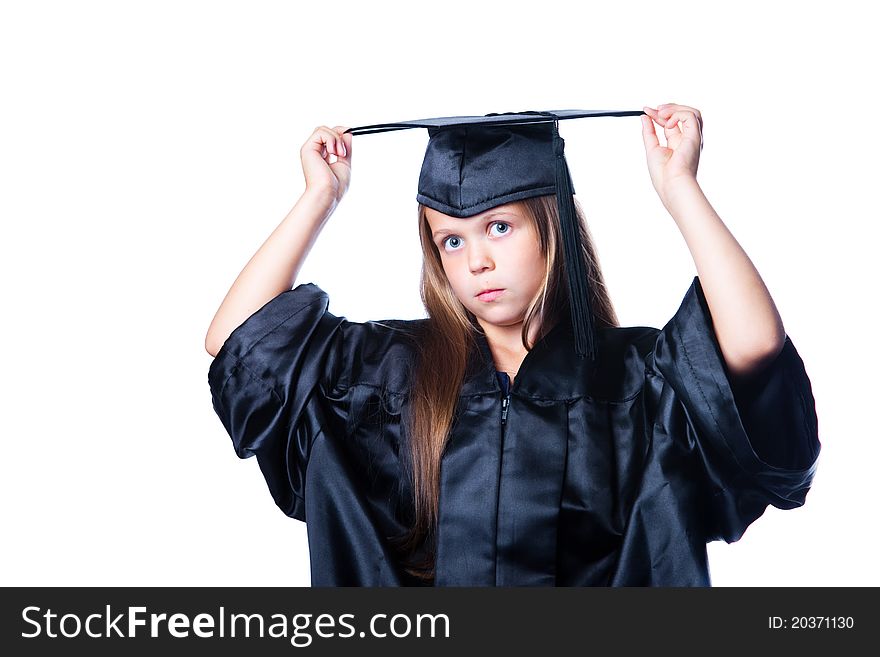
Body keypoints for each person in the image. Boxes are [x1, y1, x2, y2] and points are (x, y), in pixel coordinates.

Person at [205, 104, 820, 586]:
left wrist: (679, 186)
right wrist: (321, 197)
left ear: (550, 225)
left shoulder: (633, 380)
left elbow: (753, 343)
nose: (476, 261)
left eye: (500, 227)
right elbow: (236, 342)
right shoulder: (388, 372)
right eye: (451, 241)